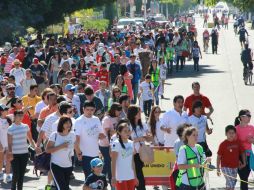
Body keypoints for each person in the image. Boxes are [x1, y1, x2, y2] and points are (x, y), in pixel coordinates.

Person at [74, 101, 106, 179]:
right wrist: (78, 153)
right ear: (83, 109)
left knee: (97, 178)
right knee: (89, 178)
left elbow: (101, 135)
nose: (89, 112)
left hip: (96, 154)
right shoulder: (78, 121)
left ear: (94, 110)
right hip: (85, 155)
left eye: (92, 110)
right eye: (87, 109)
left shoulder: (96, 119)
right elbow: (76, 140)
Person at [7, 110, 36, 190]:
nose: (20, 117)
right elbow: (9, 143)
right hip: (14, 154)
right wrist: (10, 153)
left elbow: (30, 139)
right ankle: (13, 187)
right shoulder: (10, 128)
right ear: (15, 117)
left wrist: (36, 147)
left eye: (22, 116)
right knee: (16, 173)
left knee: (22, 174)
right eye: (19, 116)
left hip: (24, 153)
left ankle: (20, 188)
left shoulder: (25, 126)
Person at [46, 116, 76, 190]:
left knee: (65, 187)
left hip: (68, 165)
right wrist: (61, 146)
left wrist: (79, 154)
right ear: (61, 124)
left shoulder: (72, 135)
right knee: (62, 188)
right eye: (66, 123)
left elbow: (75, 147)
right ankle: (48, 186)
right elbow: (47, 150)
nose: (68, 125)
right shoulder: (55, 135)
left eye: (70, 123)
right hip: (56, 165)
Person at [128, 105, 150, 190]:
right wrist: (138, 139)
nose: (140, 113)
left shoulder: (142, 124)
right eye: (138, 112)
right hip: (132, 154)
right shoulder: (128, 125)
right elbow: (125, 141)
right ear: (133, 114)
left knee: (139, 177)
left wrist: (148, 136)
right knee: (138, 178)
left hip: (141, 154)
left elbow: (148, 136)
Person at [99, 103, 122, 186]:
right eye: (118, 110)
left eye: (120, 110)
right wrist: (121, 131)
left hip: (114, 144)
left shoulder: (117, 118)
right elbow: (110, 132)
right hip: (105, 144)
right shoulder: (107, 119)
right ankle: (101, 179)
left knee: (110, 163)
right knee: (108, 163)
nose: (120, 112)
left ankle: (110, 182)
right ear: (113, 110)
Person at [217, 125, 246, 190]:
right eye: (229, 133)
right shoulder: (223, 144)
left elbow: (242, 152)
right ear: (226, 134)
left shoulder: (237, 142)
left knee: (232, 182)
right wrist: (218, 168)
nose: (231, 134)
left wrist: (244, 163)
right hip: (225, 167)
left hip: (235, 167)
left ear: (235, 134)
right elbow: (218, 157)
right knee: (231, 183)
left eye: (233, 133)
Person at [111, 122, 138, 190]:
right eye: (125, 131)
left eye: (128, 130)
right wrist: (113, 177)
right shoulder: (116, 143)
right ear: (119, 132)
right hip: (120, 177)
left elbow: (132, 162)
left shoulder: (131, 143)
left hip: (130, 176)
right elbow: (113, 162)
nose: (128, 132)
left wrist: (135, 176)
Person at [234, 109, 254, 190]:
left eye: (250, 116)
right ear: (241, 117)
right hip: (240, 157)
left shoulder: (252, 128)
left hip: (249, 156)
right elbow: (233, 144)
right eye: (248, 116)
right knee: (244, 179)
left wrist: (252, 141)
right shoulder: (236, 129)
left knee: (245, 178)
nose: (250, 117)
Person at [0, 104, 12, 183]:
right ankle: (0, 173)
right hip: (0, 143)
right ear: (1, 111)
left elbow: (20, 114)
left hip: (8, 143)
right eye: (5, 110)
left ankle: (7, 175)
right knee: (0, 160)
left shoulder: (9, 118)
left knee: (8, 160)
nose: (7, 111)